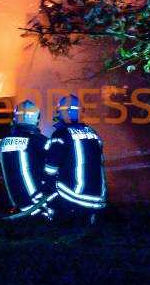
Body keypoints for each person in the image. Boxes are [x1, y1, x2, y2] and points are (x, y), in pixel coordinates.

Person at [42, 93, 106, 227]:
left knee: (49, 185)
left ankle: (55, 222)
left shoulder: (61, 134)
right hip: (98, 198)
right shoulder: (93, 133)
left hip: (76, 197)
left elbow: (50, 170)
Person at [0, 99, 54, 223]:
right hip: (36, 205)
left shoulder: (3, 142)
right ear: (36, 119)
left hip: (12, 203)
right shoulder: (41, 142)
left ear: (15, 118)